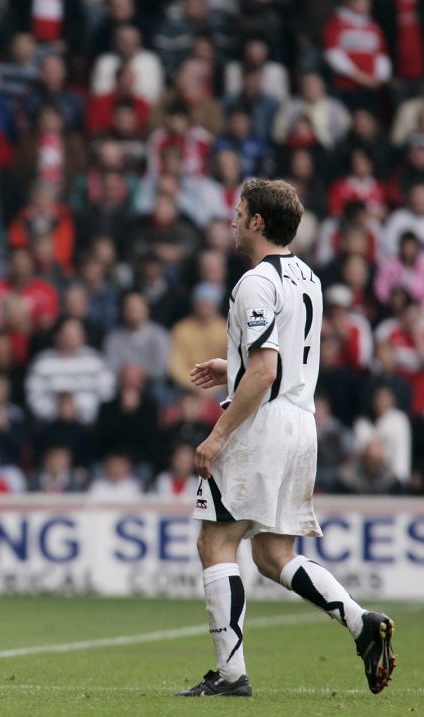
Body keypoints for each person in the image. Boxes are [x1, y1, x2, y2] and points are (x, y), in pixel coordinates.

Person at [182, 178, 396, 697]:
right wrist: (230, 363)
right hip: (301, 421)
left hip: (263, 421)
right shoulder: (309, 277)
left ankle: (231, 676)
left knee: (216, 541)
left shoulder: (255, 281)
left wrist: (217, 434)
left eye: (239, 211)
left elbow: (264, 371)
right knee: (274, 553)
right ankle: (360, 622)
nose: (233, 218)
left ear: (258, 222)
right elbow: (279, 357)